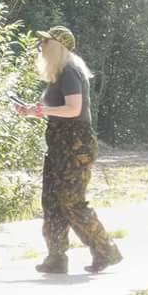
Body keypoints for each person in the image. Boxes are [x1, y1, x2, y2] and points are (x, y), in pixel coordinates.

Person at [14, 26, 122, 274]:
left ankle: (106, 251)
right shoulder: (58, 73)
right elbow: (54, 109)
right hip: (59, 144)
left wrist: (43, 110)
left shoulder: (70, 71)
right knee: (52, 200)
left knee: (72, 201)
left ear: (58, 47)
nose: (41, 46)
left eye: (45, 42)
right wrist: (31, 110)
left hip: (76, 146)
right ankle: (56, 257)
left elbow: (73, 109)